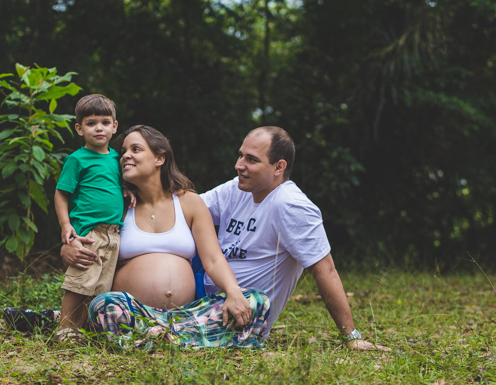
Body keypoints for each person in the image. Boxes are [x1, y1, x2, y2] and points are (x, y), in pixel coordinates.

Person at [65, 126, 386, 351]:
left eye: (250, 160)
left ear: (279, 167)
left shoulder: (292, 206)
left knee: (256, 301)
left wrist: (351, 335)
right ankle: (162, 332)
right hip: (190, 303)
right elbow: (177, 208)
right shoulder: (236, 189)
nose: (238, 166)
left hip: (231, 309)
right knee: (105, 304)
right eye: (240, 156)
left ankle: (145, 333)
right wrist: (124, 191)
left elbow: (325, 269)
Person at [86, 125, 271, 348]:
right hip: (134, 311)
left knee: (256, 300)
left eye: (135, 149)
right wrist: (68, 246)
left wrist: (232, 291)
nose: (125, 155)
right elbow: (87, 243)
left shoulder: (189, 202)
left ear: (159, 158)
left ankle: (160, 338)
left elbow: (213, 259)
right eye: (124, 151)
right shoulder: (117, 205)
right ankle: (189, 339)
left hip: (188, 314)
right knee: (104, 306)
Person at [51, 94, 125, 339]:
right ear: (79, 128)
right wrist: (65, 225)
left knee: (98, 288)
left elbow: (116, 185)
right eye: (91, 123)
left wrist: (127, 191)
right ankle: (65, 330)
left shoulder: (117, 159)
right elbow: (61, 193)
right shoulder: (77, 159)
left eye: (105, 122)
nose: (99, 128)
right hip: (88, 232)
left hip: (113, 233)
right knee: (80, 282)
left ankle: (82, 329)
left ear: (115, 126)